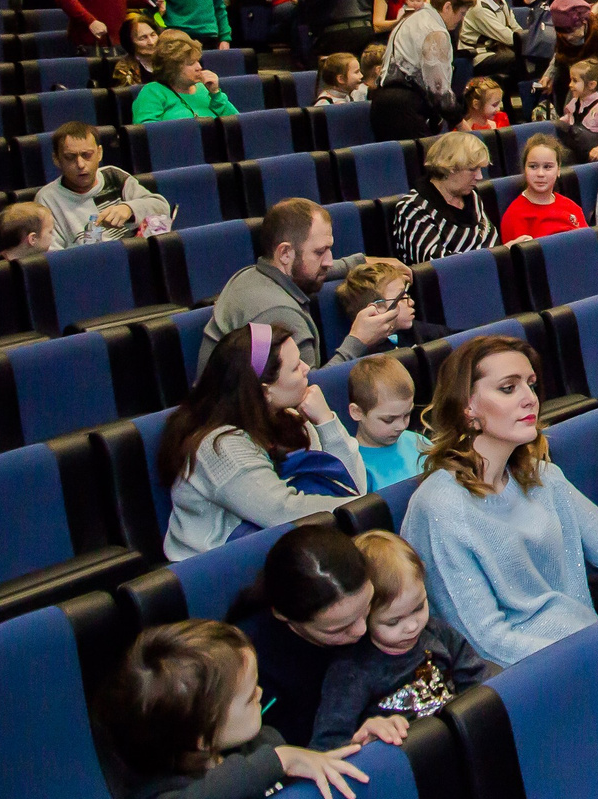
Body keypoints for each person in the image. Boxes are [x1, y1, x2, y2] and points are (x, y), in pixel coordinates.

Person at [400, 334, 598, 665]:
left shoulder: (543, 476)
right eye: (508, 388)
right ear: (467, 407)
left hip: (589, 645)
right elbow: (484, 642)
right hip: (532, 676)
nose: (530, 399)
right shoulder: (439, 507)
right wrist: (596, 654)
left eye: (530, 385)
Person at [100, 620, 368, 799]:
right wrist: (279, 761)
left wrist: (359, 745)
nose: (261, 693)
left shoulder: (263, 743)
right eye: (249, 698)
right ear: (201, 738)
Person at [160, 321, 366, 559]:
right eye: (295, 368)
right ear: (266, 391)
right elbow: (283, 512)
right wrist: (359, 508)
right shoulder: (219, 448)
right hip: (215, 566)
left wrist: (326, 421)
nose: (306, 368)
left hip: (277, 547)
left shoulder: (290, 416)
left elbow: (351, 486)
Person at [309, 530, 496, 749]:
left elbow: (477, 681)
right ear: (365, 615)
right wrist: (361, 740)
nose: (412, 626)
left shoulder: (438, 633)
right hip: (406, 756)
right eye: (393, 622)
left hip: (457, 742)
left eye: (418, 607)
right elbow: (327, 746)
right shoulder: (350, 671)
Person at [201, 198, 397, 372]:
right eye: (320, 252)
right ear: (285, 253)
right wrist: (358, 340)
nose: (329, 261)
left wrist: (359, 262)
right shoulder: (281, 314)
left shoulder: (249, 275)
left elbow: (307, 270)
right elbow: (309, 392)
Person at [37, 121, 175, 248]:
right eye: (70, 157)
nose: (80, 164)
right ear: (56, 159)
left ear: (99, 153)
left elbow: (162, 208)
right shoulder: (47, 199)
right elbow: (53, 255)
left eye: (87, 155)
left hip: (134, 255)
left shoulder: (113, 176)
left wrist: (129, 209)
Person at [372, 0, 474, 141]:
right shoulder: (435, 32)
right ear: (447, 7)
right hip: (404, 108)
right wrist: (460, 122)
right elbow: (439, 91)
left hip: (384, 101)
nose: (462, 20)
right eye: (462, 13)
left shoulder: (413, 18)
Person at [387, 131, 499, 265]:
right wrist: (487, 258)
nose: (480, 177)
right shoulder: (414, 208)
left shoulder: (472, 197)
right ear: (450, 167)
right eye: (472, 169)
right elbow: (434, 265)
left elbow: (492, 243)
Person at [347, 352, 430, 493]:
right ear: (357, 412)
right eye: (389, 420)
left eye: (407, 415)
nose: (402, 426)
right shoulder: (354, 467)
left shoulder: (420, 443)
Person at [132, 30, 241, 123]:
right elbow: (148, 134)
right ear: (172, 68)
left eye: (198, 61)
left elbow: (237, 125)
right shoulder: (152, 92)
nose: (199, 67)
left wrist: (216, 94)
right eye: (191, 63)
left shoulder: (205, 89)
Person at [500, 135, 587, 241]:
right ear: (524, 169)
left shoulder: (572, 208)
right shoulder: (514, 216)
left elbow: (588, 244)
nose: (540, 174)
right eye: (533, 166)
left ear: (558, 170)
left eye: (547, 167)